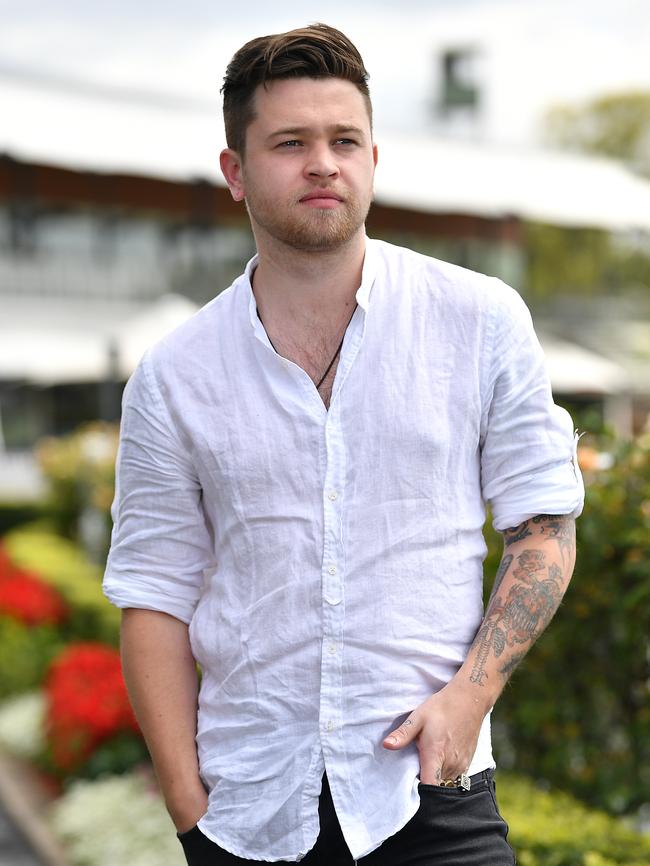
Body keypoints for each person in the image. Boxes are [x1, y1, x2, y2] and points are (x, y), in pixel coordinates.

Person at [103, 22, 584, 866]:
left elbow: (543, 528)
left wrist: (471, 699)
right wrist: (188, 811)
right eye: (290, 142)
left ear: (371, 158)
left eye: (343, 140)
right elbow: (153, 594)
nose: (322, 162)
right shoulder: (175, 374)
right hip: (248, 807)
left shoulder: (479, 320)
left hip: (430, 789)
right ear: (236, 172)